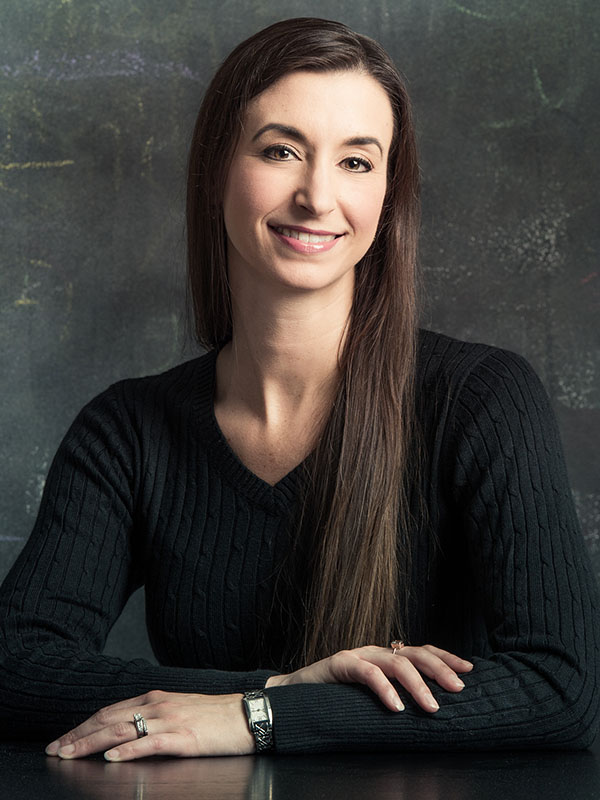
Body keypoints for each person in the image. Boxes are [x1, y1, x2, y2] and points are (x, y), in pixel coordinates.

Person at [0, 17, 598, 760]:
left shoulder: (482, 400)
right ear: (216, 170)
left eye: (356, 162)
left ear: (388, 193)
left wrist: (261, 719)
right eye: (281, 151)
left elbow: (560, 687)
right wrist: (272, 691)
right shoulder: (129, 430)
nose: (317, 196)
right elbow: (14, 666)